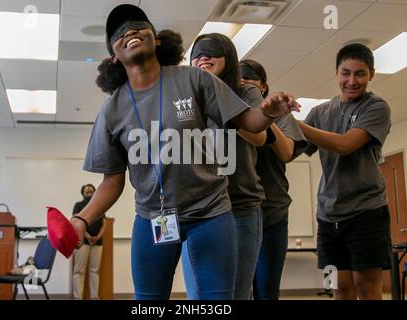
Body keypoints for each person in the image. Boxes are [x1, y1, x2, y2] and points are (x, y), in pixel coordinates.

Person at [70, 3, 300, 300]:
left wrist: (269, 112)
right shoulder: (112, 110)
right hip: (154, 218)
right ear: (114, 56)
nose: (130, 32)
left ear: (158, 39)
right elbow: (111, 183)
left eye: (139, 26)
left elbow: (249, 123)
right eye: (120, 33)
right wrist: (81, 219)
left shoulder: (194, 79)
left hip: (210, 213)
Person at [180, 33, 271, 300]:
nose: (204, 57)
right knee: (199, 296)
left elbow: (259, 136)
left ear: (228, 57)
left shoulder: (245, 92)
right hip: (198, 211)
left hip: (239, 207)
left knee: (236, 294)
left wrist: (220, 101)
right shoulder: (186, 100)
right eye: (198, 53)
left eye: (212, 51)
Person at [298, 43, 392, 300]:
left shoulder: (376, 108)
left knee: (367, 287)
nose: (352, 80)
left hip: (367, 211)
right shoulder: (319, 112)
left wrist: (297, 125)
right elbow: (289, 151)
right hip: (329, 216)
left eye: (360, 73)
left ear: (371, 74)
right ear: (336, 72)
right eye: (346, 73)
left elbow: (345, 145)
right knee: (339, 288)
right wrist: (272, 118)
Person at [240, 59, 307, 300]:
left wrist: (266, 113)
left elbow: (287, 152)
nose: (244, 84)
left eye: (250, 80)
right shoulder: (229, 112)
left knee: (266, 291)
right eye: (238, 80)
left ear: (264, 87)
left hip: (271, 212)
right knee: (236, 291)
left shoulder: (280, 116)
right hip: (237, 214)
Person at [72, 184, 107, 300]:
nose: (89, 189)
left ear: (94, 192)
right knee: (78, 270)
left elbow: (104, 223)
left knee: (94, 271)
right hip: (82, 242)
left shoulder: (99, 205)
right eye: (86, 189)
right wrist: (87, 236)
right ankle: (78, 298)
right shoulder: (78, 205)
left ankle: (95, 297)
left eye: (91, 188)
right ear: (82, 192)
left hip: (98, 242)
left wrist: (97, 237)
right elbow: (76, 222)